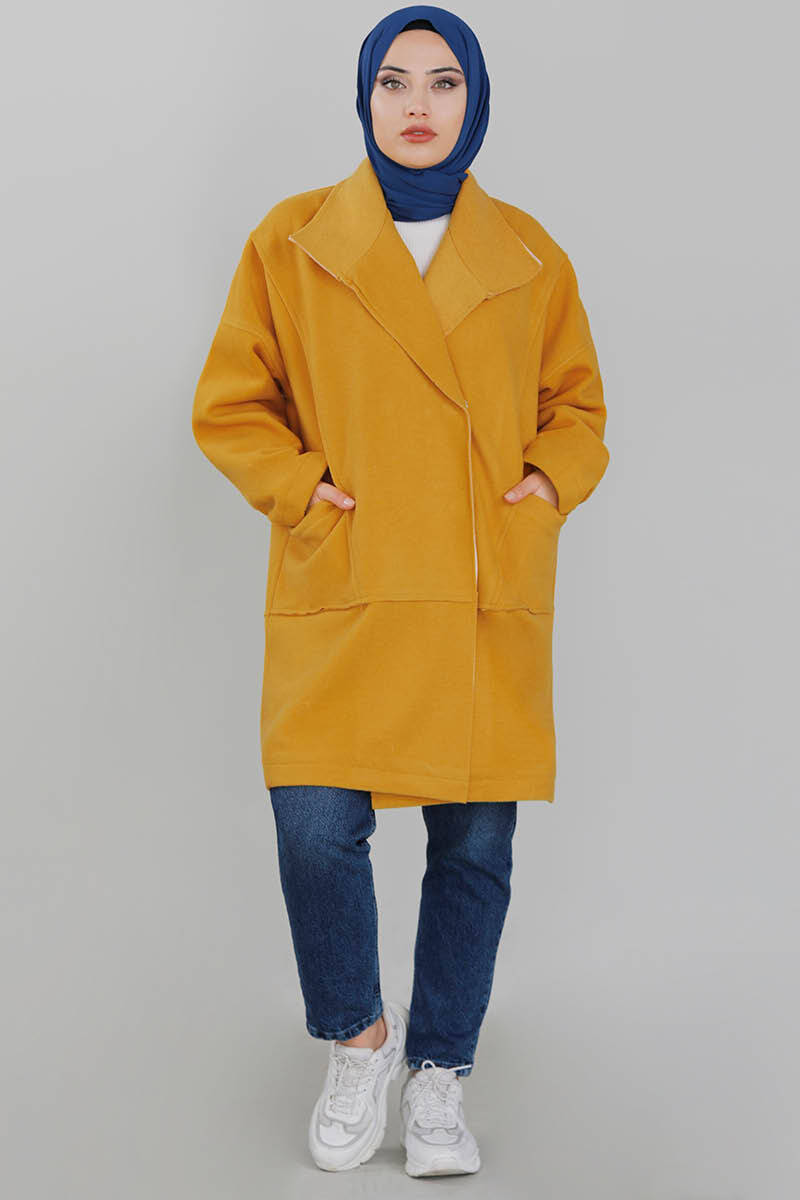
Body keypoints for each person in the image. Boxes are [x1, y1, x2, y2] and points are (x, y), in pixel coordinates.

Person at [191, 4, 609, 1179]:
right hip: (352, 578)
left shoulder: (528, 254)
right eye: (393, 81)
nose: (416, 105)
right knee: (315, 828)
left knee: (473, 845)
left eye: (440, 83)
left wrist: (547, 481)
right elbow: (231, 405)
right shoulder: (292, 241)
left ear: (473, 100)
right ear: (364, 97)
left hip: (474, 589)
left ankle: (438, 1076)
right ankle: (358, 1041)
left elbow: (576, 407)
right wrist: (299, 489)